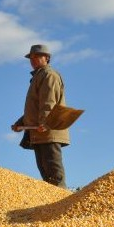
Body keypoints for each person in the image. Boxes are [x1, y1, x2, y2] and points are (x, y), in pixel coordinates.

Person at [12, 44, 69, 188]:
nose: (33, 60)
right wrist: (20, 122)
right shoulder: (38, 76)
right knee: (45, 172)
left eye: (37, 56)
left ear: (47, 58)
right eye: (31, 57)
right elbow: (34, 108)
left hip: (48, 130)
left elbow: (49, 102)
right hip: (38, 131)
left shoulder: (49, 75)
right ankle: (51, 205)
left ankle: (61, 202)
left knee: (54, 172)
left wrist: (45, 123)